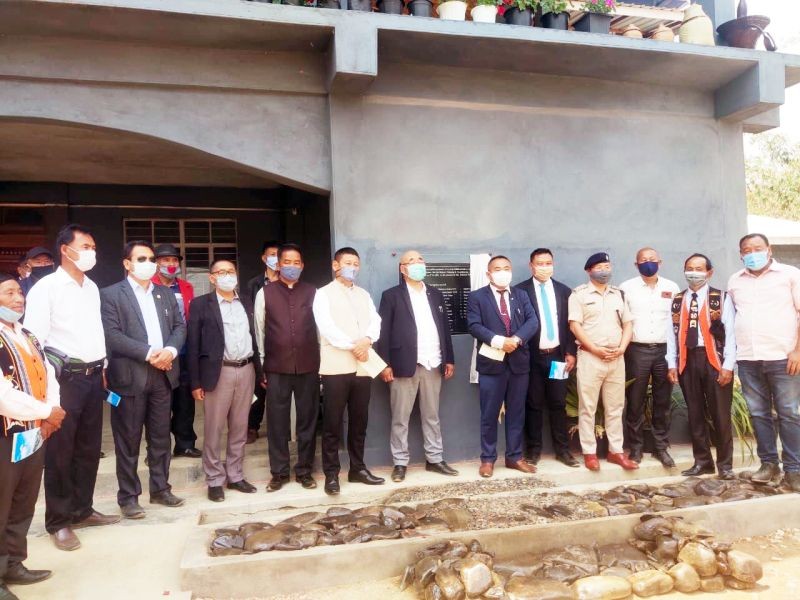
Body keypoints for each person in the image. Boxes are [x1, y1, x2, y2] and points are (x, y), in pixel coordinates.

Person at [23, 224, 119, 552]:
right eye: (86, 246)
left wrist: (103, 368)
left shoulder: (91, 287)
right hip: (63, 381)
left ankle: (83, 509)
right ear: (66, 249)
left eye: (94, 246)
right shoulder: (46, 288)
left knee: (89, 449)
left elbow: (95, 332)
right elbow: (34, 343)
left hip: (93, 377)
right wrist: (47, 394)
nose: (92, 252)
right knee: (61, 453)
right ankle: (59, 521)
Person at [100, 240, 187, 519]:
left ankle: (160, 488)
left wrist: (170, 351)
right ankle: (128, 497)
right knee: (128, 440)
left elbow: (178, 327)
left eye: (151, 258)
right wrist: (151, 353)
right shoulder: (111, 295)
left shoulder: (165, 294)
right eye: (141, 258)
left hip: (163, 376)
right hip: (129, 378)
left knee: (161, 438)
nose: (149, 263)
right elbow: (112, 336)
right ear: (127, 263)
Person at [0, 274, 65, 599]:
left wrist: (52, 411)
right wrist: (45, 413)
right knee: (1, 505)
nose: (18, 298)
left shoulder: (27, 335)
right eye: (8, 293)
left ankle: (14, 564)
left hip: (32, 434)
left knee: (23, 503)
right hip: (5, 436)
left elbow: (49, 375)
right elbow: (3, 395)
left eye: (18, 292)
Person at [376, 250, 458, 483]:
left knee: (432, 415)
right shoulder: (391, 296)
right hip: (403, 365)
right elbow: (383, 333)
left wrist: (448, 358)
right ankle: (400, 462)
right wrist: (385, 364)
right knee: (400, 417)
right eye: (411, 261)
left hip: (433, 363)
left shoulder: (435, 294)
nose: (417, 264)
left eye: (420, 260)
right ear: (402, 269)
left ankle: (435, 459)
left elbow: (444, 329)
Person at [727, 233, 800, 491]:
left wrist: (797, 351)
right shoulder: (735, 281)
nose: (752, 252)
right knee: (758, 414)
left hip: (783, 357)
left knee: (789, 413)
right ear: (741, 254)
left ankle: (794, 469)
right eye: (747, 249)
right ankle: (769, 464)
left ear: (769, 249)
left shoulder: (790, 274)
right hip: (749, 358)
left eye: (757, 248)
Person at [312, 247, 384, 495]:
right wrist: (354, 346)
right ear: (335, 265)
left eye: (356, 263)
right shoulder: (322, 294)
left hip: (363, 365)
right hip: (336, 365)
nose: (352, 267)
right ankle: (331, 474)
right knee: (332, 422)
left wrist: (367, 341)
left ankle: (357, 468)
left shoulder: (364, 295)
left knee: (359, 420)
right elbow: (327, 327)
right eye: (347, 263)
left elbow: (375, 321)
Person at [187, 260, 260, 502]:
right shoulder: (201, 305)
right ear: (212, 278)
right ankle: (214, 479)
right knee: (214, 428)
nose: (227, 276)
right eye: (221, 272)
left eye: (231, 272)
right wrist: (195, 382)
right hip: (218, 372)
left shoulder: (247, 301)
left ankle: (236, 475)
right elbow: (194, 344)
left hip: (246, 368)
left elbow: (257, 336)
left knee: (240, 427)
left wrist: (260, 372)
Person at [254, 243, 321, 492]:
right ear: (278, 264)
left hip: (308, 366)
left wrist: (321, 363)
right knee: (277, 422)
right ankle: (279, 472)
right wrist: (261, 367)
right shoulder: (266, 293)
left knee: (308, 420)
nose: (292, 267)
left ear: (302, 266)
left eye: (296, 263)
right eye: (287, 262)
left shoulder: (313, 292)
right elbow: (259, 331)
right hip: (276, 367)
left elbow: (319, 332)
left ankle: (305, 470)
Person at [467, 255, 539, 478]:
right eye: (497, 269)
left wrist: (516, 340)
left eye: (506, 268)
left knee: (516, 412)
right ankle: (488, 460)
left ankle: (514, 457)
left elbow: (532, 322)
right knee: (489, 413)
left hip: (518, 364)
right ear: (489, 274)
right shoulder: (477, 297)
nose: (502, 272)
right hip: (491, 364)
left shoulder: (521, 295)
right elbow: (474, 325)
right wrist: (499, 341)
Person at [666, 254, 736, 479]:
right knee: (695, 414)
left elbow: (731, 335)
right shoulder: (677, 300)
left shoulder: (720, 298)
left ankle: (725, 466)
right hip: (688, 359)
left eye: (699, 268)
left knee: (720, 414)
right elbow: (671, 335)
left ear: (709, 273)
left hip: (714, 360)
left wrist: (728, 366)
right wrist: (671, 363)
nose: (693, 272)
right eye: (689, 268)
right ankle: (703, 461)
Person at [568, 253, 638, 471]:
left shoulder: (619, 294)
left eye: (607, 266)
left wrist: (622, 349)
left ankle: (615, 451)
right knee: (587, 407)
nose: (604, 270)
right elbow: (575, 326)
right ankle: (589, 452)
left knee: (616, 407)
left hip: (616, 358)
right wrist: (595, 349)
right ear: (589, 270)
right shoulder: (578, 295)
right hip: (591, 357)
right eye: (599, 266)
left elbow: (628, 324)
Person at [515, 249, 579, 468]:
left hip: (557, 357)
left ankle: (563, 451)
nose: (544, 267)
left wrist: (571, 352)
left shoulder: (563, 291)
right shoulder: (520, 291)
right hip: (532, 358)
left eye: (548, 263)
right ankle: (533, 451)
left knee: (558, 403)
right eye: (539, 263)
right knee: (533, 404)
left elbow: (570, 326)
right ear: (531, 265)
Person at [619, 248, 680, 467]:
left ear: (660, 262)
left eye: (652, 260)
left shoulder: (671, 288)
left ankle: (660, 447)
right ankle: (635, 448)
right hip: (637, 350)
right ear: (636, 265)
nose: (648, 263)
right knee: (635, 401)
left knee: (663, 400)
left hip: (664, 350)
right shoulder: (626, 288)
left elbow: (677, 322)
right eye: (643, 260)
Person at [152, 243, 199, 459]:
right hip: (159, 355)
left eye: (174, 260)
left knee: (185, 401)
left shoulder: (186, 287)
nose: (171, 264)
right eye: (165, 260)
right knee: (159, 403)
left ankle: (185, 443)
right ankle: (156, 449)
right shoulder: (148, 286)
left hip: (185, 352)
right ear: (156, 264)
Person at [246, 240, 282, 444]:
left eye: (279, 254)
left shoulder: (287, 281)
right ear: (263, 258)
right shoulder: (254, 284)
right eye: (272, 254)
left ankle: (281, 429)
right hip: (260, 339)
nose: (275, 259)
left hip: (282, 342)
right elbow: (252, 315)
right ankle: (252, 426)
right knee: (259, 386)